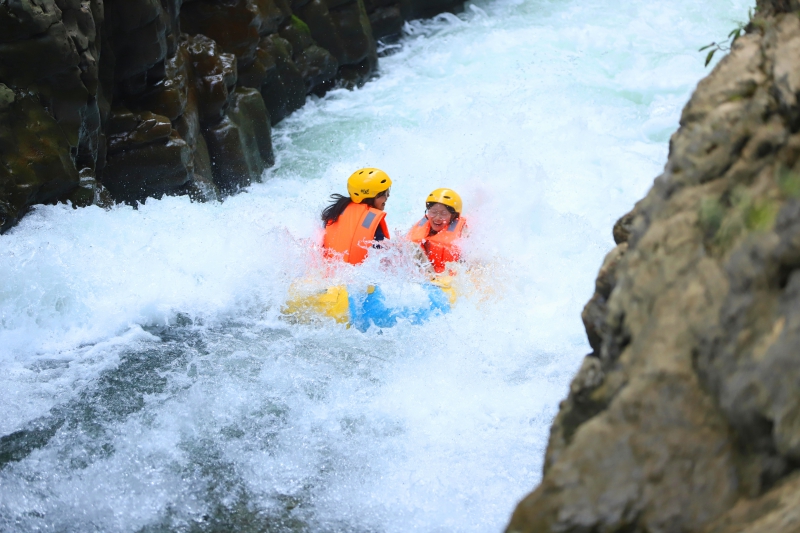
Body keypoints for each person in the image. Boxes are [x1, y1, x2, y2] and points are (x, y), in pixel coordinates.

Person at [321, 167, 392, 265]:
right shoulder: (371, 223)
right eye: (384, 193)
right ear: (371, 197)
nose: (388, 196)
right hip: (358, 276)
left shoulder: (335, 212)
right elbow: (385, 259)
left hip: (329, 272)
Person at [407, 188, 467, 274]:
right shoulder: (420, 226)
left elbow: (470, 262)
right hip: (426, 275)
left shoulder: (463, 232)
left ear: (453, 216)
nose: (437, 218)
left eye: (443, 213)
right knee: (408, 246)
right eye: (433, 212)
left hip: (446, 278)